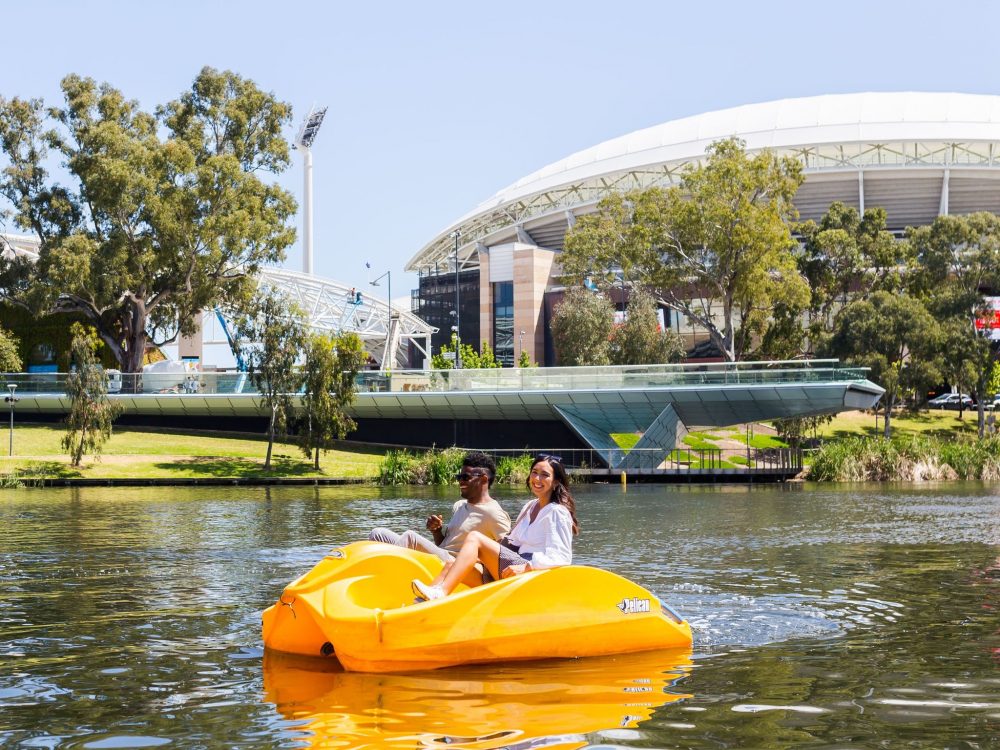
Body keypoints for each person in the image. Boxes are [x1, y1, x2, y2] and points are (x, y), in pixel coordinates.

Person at [411, 454, 579, 601]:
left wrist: (528, 567)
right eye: (534, 472)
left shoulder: (557, 512)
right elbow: (511, 542)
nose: (537, 479)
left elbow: (562, 557)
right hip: (513, 567)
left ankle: (441, 592)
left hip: (531, 575)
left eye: (545, 475)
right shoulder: (530, 506)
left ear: (556, 481)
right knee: (450, 564)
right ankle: (415, 609)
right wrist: (481, 556)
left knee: (475, 537)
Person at [368, 451, 510, 562]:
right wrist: (436, 531)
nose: (460, 481)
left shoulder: (494, 514)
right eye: (459, 477)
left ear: (483, 479)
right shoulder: (459, 505)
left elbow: (508, 554)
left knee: (410, 537)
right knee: (378, 533)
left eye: (466, 477)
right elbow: (445, 544)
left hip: (454, 565)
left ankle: (385, 576)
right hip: (440, 555)